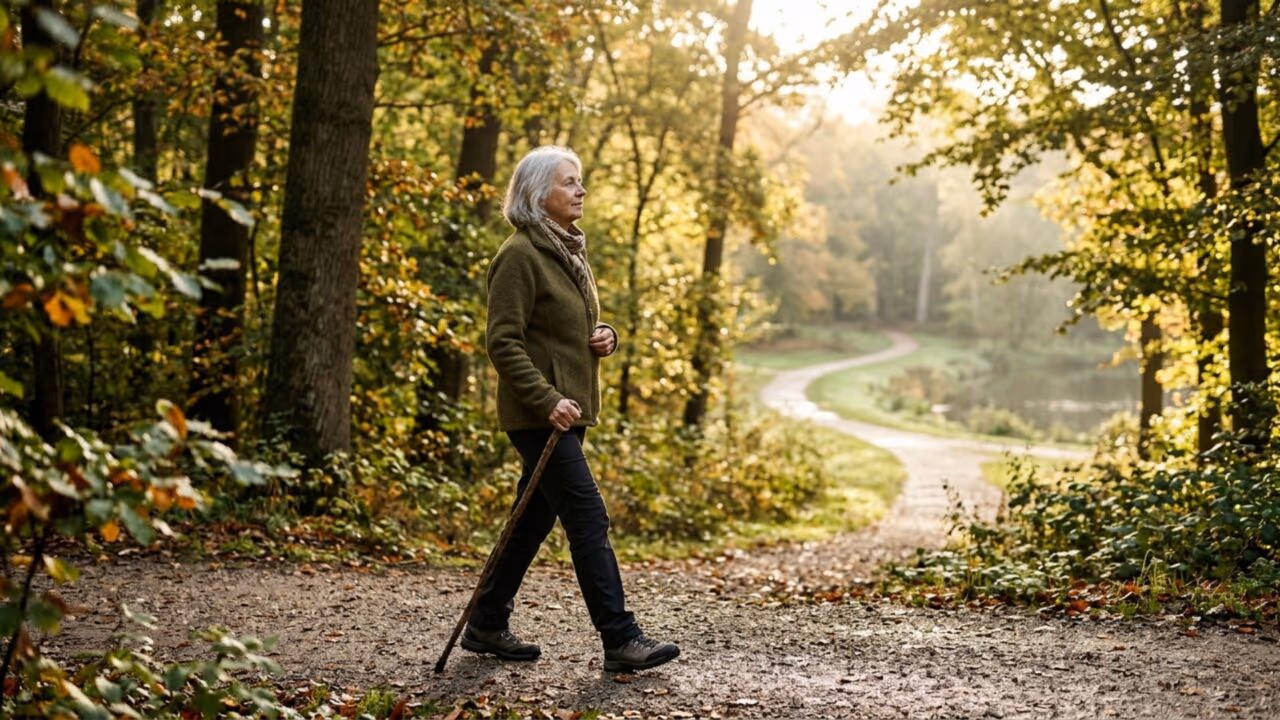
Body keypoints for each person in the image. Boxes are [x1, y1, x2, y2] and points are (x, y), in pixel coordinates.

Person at [462, 146, 680, 673]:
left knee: (531, 520)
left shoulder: (567, 251)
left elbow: (571, 329)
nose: (580, 190)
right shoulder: (519, 254)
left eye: (579, 181)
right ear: (539, 194)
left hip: (568, 413)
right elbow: (503, 341)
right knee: (587, 515)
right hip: (541, 416)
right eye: (569, 183)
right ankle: (620, 639)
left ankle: (486, 622)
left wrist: (605, 336)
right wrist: (546, 398)